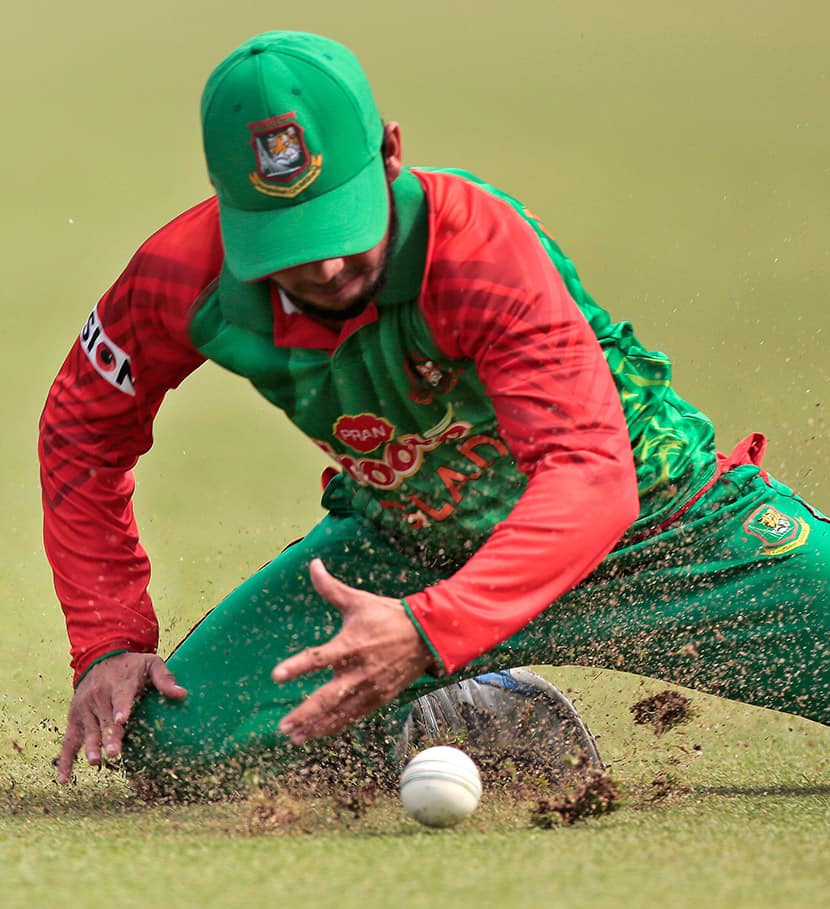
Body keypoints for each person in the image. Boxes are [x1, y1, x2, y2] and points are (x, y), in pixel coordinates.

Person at [41, 30, 829, 793]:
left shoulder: (479, 249)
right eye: (287, 238)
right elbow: (81, 431)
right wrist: (110, 639)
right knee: (180, 749)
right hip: (407, 551)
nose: (324, 262)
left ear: (390, 153)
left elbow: (590, 476)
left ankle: (433, 660)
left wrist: (429, 632)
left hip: (666, 541)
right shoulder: (183, 276)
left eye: (339, 221)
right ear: (230, 203)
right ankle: (455, 710)